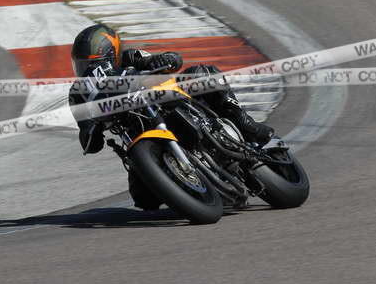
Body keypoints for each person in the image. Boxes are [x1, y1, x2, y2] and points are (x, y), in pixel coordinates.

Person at [69, 23, 274, 208]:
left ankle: (245, 123)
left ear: (111, 53)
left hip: (165, 103)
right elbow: (88, 140)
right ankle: (184, 182)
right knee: (144, 200)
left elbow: (173, 60)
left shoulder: (131, 58)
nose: (87, 70)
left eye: (92, 63)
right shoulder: (78, 93)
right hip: (137, 136)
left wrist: (165, 60)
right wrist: (91, 131)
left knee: (202, 73)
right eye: (82, 65)